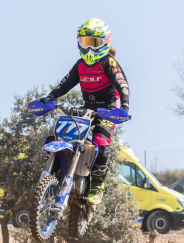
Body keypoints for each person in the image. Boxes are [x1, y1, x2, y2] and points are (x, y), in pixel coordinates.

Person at [39, 18, 130, 205]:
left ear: (106, 42)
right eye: (85, 42)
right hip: (86, 109)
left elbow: (123, 85)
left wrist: (125, 107)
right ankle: (56, 174)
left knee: (101, 143)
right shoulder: (80, 65)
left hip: (106, 112)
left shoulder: (109, 63)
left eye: (94, 43)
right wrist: (49, 98)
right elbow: (64, 84)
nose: (89, 48)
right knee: (60, 136)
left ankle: (97, 186)